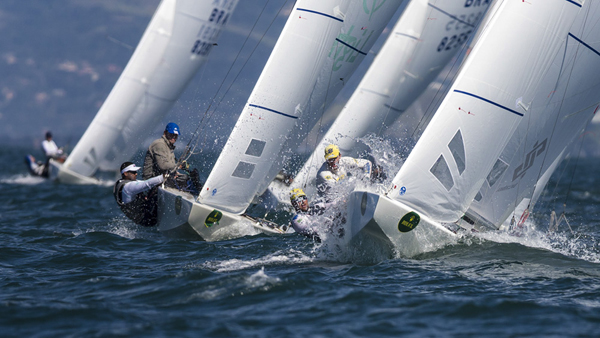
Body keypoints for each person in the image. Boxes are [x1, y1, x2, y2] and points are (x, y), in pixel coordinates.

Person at [143, 122, 201, 194]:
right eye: (171, 134)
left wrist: (175, 172)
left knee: (191, 178)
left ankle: (199, 195)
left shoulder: (169, 146)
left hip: (163, 177)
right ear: (165, 132)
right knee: (185, 182)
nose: (174, 137)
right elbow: (163, 165)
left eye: (175, 135)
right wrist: (178, 166)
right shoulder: (159, 144)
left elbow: (169, 166)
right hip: (152, 181)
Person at [315, 144, 385, 200]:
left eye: (334, 159)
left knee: (376, 172)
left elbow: (367, 163)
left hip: (342, 195)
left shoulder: (345, 161)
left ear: (339, 156)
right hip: (328, 202)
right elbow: (337, 188)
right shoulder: (323, 173)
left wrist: (366, 178)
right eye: (329, 160)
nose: (332, 162)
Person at [114, 161, 165, 227]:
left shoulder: (123, 182)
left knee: (155, 187)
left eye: (136, 172)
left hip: (145, 212)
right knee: (157, 193)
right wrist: (163, 176)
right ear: (125, 173)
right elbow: (146, 184)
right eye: (133, 172)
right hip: (147, 219)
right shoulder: (127, 187)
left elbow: (145, 182)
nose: (136, 174)